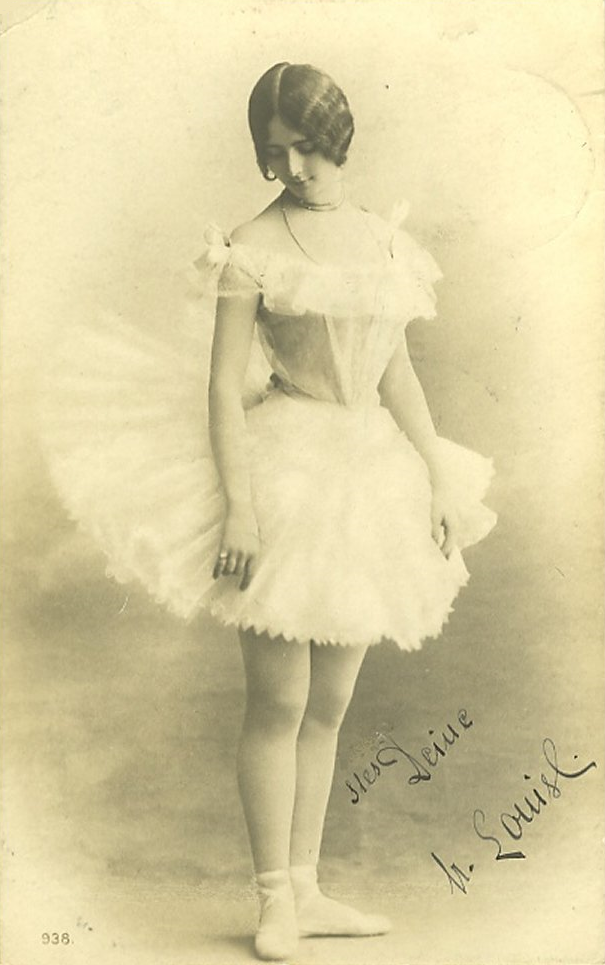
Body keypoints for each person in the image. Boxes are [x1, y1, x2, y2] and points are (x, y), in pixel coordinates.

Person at [41, 62, 496, 962]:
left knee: (330, 702)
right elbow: (221, 388)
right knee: (279, 699)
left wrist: (438, 476)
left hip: (367, 475)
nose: (291, 169)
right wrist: (240, 509)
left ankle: (310, 887)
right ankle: (272, 899)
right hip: (283, 470)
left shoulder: (386, 243)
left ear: (338, 139)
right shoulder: (251, 245)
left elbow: (395, 373)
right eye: (274, 152)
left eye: (305, 148)